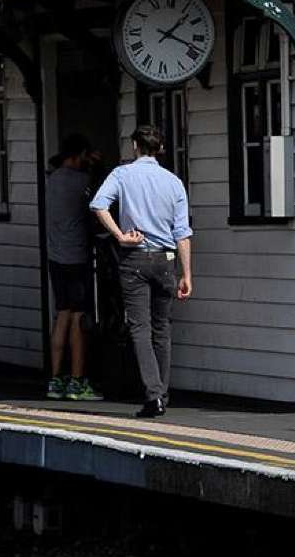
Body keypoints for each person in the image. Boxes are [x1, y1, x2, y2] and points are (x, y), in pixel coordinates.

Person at [89, 125, 191, 419]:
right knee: (162, 327)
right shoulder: (173, 182)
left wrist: (120, 235)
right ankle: (163, 393)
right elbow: (182, 232)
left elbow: (98, 205)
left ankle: (153, 394)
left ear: (135, 145)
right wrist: (187, 274)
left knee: (140, 328)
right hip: (166, 259)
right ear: (159, 148)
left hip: (133, 257)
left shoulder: (122, 175)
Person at [44, 134, 102, 401]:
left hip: (55, 256)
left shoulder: (52, 179)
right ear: (80, 155)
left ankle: (56, 380)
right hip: (77, 257)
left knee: (62, 315)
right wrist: (96, 168)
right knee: (79, 317)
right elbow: (96, 207)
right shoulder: (83, 181)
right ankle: (78, 381)